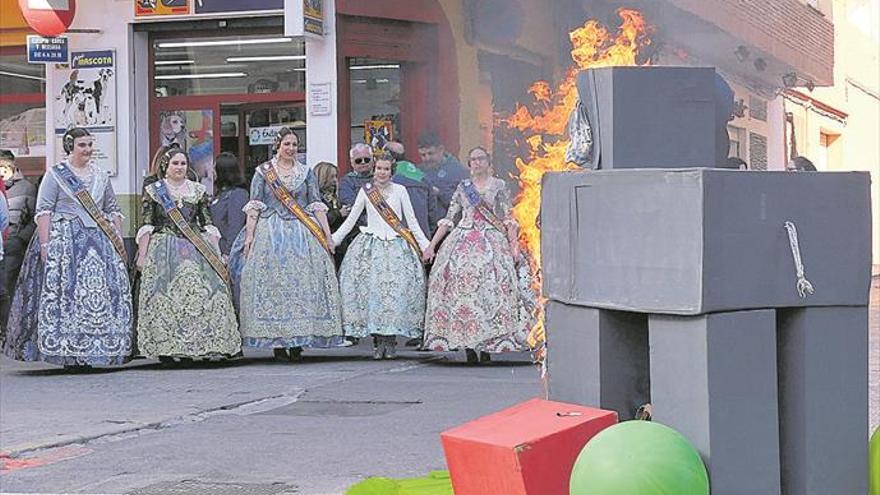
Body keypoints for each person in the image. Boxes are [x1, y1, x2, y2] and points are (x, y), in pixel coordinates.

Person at [3, 127, 133, 368]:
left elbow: (113, 209)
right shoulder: (56, 174)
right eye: (82, 145)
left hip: (98, 242)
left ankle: (99, 349)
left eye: (90, 145)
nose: (88, 150)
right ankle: (67, 351)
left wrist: (116, 238)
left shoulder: (101, 176)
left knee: (99, 296)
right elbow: (44, 211)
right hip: (64, 241)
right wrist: (45, 244)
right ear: (70, 146)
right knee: (67, 295)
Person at [229, 127, 343, 361]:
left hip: (302, 233)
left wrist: (328, 236)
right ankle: (278, 342)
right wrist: (249, 237)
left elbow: (316, 205)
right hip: (270, 232)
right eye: (287, 144)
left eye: (294, 145)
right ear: (277, 146)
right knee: (274, 286)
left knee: (302, 285)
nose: (291, 149)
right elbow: (255, 205)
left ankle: (299, 340)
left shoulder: (306, 172)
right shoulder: (263, 172)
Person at [422, 146, 529, 363]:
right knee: (462, 291)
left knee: (491, 290)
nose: (477, 163)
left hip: (491, 239)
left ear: (488, 162)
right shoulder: (464, 187)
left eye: (480, 159)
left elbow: (508, 217)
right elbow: (451, 217)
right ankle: (468, 346)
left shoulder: (499, 186)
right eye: (473, 160)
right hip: (462, 238)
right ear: (469, 164)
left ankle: (488, 344)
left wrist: (514, 245)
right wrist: (432, 245)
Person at [135, 145, 241, 363]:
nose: (180, 167)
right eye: (175, 163)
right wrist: (143, 256)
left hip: (195, 247)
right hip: (164, 247)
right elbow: (147, 224)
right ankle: (167, 348)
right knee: (164, 296)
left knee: (203, 292)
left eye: (183, 163)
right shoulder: (155, 190)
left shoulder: (197, 190)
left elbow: (207, 223)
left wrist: (218, 253)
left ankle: (196, 345)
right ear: (165, 166)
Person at [332, 152, 430, 360]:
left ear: (391, 171)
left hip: (397, 245)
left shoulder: (401, 191)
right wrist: (333, 240)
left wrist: (425, 246)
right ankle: (378, 341)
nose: (382, 172)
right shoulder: (366, 191)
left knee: (394, 296)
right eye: (379, 168)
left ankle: (391, 341)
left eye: (386, 169)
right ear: (374, 170)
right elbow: (351, 220)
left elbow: (411, 221)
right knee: (373, 295)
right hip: (371, 246)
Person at [0, 151, 37, 337]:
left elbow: (35, 218)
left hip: (12, 244)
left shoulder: (26, 188)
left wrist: (20, 239)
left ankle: (8, 332)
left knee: (7, 289)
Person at [387, 141, 438, 237]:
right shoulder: (422, 175)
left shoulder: (389, 178)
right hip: (423, 234)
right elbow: (432, 211)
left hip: (398, 236)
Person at [416, 130, 468, 223]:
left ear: (441, 149)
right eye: (423, 155)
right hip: (426, 227)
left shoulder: (459, 171)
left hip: (450, 226)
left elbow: (465, 203)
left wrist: (439, 193)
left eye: (430, 153)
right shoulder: (418, 171)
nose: (427, 158)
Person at [209, 152, 249, 258]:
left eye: (215, 168)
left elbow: (235, 225)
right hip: (216, 249)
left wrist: (228, 253)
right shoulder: (220, 194)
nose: (212, 172)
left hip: (229, 253)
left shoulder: (238, 194)